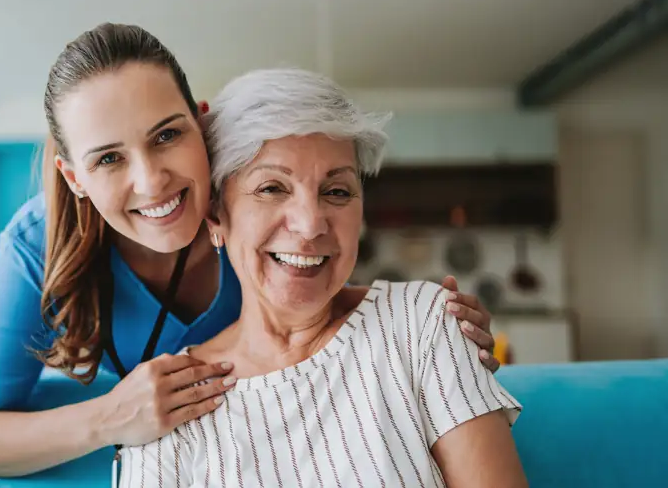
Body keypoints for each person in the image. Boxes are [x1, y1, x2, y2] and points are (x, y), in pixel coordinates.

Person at [0, 23, 501, 477]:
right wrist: (112, 417)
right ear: (74, 178)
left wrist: (414, 317)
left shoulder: (241, 194)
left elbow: (303, 272)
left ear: (201, 123)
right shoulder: (37, 243)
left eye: (167, 135)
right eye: (109, 159)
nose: (152, 182)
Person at [119, 67, 527, 487]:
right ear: (216, 215)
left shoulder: (421, 323)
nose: (310, 225)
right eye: (272, 188)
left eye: (337, 192)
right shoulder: (167, 404)